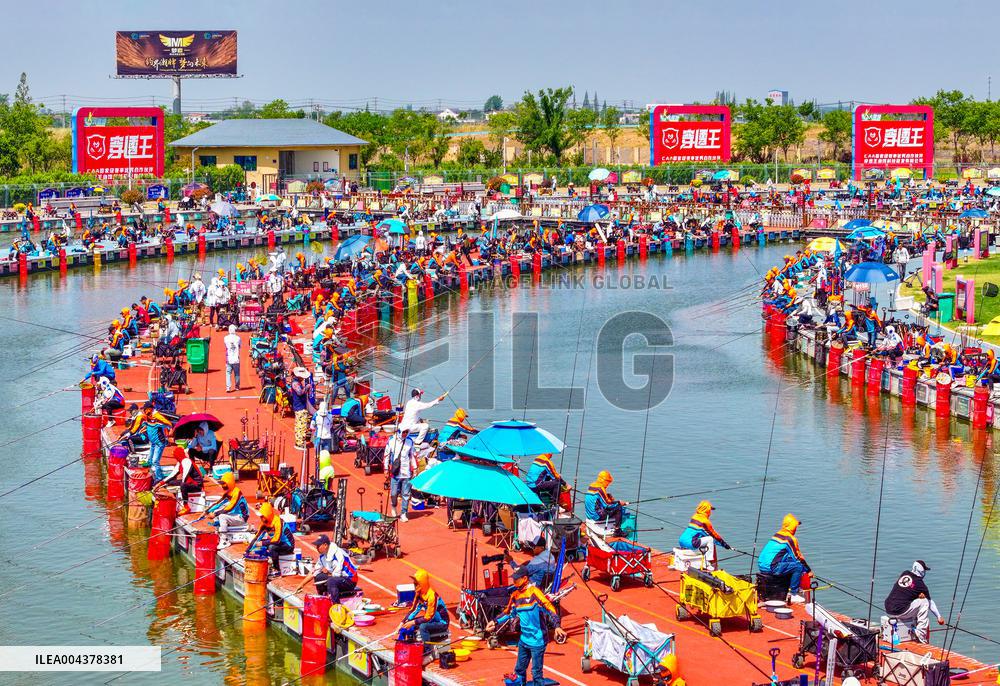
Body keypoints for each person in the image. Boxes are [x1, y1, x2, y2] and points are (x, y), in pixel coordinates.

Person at [486, 566, 566, 686]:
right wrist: (495, 622)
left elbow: (549, 608)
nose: (514, 582)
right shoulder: (515, 595)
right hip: (524, 640)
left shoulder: (534, 593)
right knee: (519, 670)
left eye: (516, 579)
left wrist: (557, 626)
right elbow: (508, 613)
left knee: (536, 673)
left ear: (524, 579)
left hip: (538, 641)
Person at [883, 560, 944, 643]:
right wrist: (939, 617)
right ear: (922, 571)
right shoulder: (920, 584)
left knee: (915, 600)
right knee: (924, 601)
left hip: (888, 609)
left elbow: (907, 590)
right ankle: (921, 633)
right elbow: (930, 603)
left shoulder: (905, 573)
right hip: (900, 611)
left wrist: (916, 595)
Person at [757, 514, 811, 603]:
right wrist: (808, 571)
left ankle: (790, 587)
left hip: (762, 565)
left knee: (790, 561)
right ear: (792, 527)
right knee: (798, 566)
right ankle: (793, 594)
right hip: (772, 568)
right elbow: (798, 557)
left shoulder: (777, 535)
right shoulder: (790, 539)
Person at [400, 568, 449, 643]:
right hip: (431, 620)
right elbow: (414, 609)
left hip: (441, 622)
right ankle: (410, 643)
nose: (414, 584)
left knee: (423, 626)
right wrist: (403, 622)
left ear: (422, 583)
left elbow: (429, 617)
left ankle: (427, 649)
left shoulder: (432, 596)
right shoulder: (419, 593)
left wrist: (413, 622)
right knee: (410, 622)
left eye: (416, 583)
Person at [678, 501, 730, 570]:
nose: (710, 512)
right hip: (690, 542)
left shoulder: (694, 517)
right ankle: (707, 563)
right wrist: (725, 545)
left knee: (704, 538)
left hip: (681, 540)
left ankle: (702, 561)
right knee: (710, 539)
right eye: (710, 510)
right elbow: (714, 535)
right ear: (707, 510)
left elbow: (701, 533)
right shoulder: (705, 521)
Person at [307, 534, 358, 603]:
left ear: (325, 545)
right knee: (318, 577)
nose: (317, 547)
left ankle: (336, 606)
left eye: (318, 546)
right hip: (338, 577)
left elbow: (336, 575)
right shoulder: (323, 556)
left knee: (331, 581)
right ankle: (322, 599)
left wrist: (328, 576)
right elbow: (314, 572)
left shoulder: (338, 554)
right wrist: (300, 586)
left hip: (350, 580)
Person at [206, 472, 249, 548]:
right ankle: (222, 529)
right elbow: (218, 503)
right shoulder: (228, 492)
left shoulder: (237, 492)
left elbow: (230, 507)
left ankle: (224, 541)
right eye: (222, 484)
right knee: (217, 512)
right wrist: (208, 511)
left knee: (222, 516)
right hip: (234, 515)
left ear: (229, 483)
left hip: (241, 517)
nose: (223, 486)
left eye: (224, 484)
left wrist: (215, 514)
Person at [252, 501, 295, 576]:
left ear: (267, 514)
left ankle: (277, 569)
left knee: (271, 547)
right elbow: (257, 538)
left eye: (262, 516)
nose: (261, 518)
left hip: (288, 545)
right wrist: (247, 551)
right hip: (278, 544)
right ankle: (268, 563)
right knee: (263, 545)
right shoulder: (264, 524)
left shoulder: (278, 522)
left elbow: (276, 540)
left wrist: (262, 543)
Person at [384, 427, 417, 521]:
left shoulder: (410, 441)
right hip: (395, 472)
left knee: (406, 494)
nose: (405, 434)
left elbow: (412, 456)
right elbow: (386, 455)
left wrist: (414, 468)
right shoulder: (392, 441)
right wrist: (386, 469)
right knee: (394, 493)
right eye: (404, 432)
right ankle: (393, 507)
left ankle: (403, 513)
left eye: (407, 432)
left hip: (406, 472)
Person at [158, 446, 203, 514]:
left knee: (183, 485)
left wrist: (181, 486)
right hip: (188, 482)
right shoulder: (180, 463)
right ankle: (173, 499)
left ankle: (186, 506)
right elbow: (172, 475)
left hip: (196, 484)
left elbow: (185, 476)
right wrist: (160, 484)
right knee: (171, 482)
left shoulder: (186, 461)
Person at [585, 470, 627, 534]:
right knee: (619, 508)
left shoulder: (592, 485)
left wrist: (607, 497)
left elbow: (598, 499)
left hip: (589, 514)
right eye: (607, 482)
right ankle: (617, 531)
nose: (608, 484)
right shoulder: (600, 489)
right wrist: (619, 502)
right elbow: (607, 505)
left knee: (615, 505)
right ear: (603, 480)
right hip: (596, 516)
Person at [224, 324, 241, 392]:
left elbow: (226, 346)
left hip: (229, 358)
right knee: (237, 373)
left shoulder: (225, 338)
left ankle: (228, 387)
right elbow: (239, 346)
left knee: (228, 373)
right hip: (236, 358)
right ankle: (237, 386)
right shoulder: (238, 338)